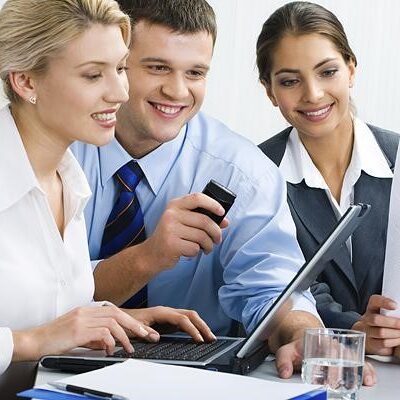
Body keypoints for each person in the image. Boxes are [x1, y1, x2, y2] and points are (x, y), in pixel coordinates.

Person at [71, 0, 329, 380]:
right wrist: (148, 257)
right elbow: (39, 292)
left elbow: (270, 287)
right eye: (157, 67)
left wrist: (304, 334)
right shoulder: (57, 149)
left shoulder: (243, 172)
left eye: (195, 72)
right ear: (116, 65)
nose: (177, 91)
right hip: (56, 364)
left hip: (194, 379)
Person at [0, 0, 214, 376]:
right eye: (92, 75)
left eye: (119, 68)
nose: (119, 92)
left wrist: (114, 318)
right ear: (26, 81)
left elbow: (43, 313)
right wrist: (30, 342)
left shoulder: (68, 180)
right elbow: (38, 336)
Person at [257, 1, 400, 360]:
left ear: (351, 70)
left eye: (327, 72)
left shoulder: (396, 158)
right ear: (270, 91)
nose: (313, 94)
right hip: (309, 362)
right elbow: (275, 279)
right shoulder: (256, 172)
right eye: (290, 81)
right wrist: (352, 328)